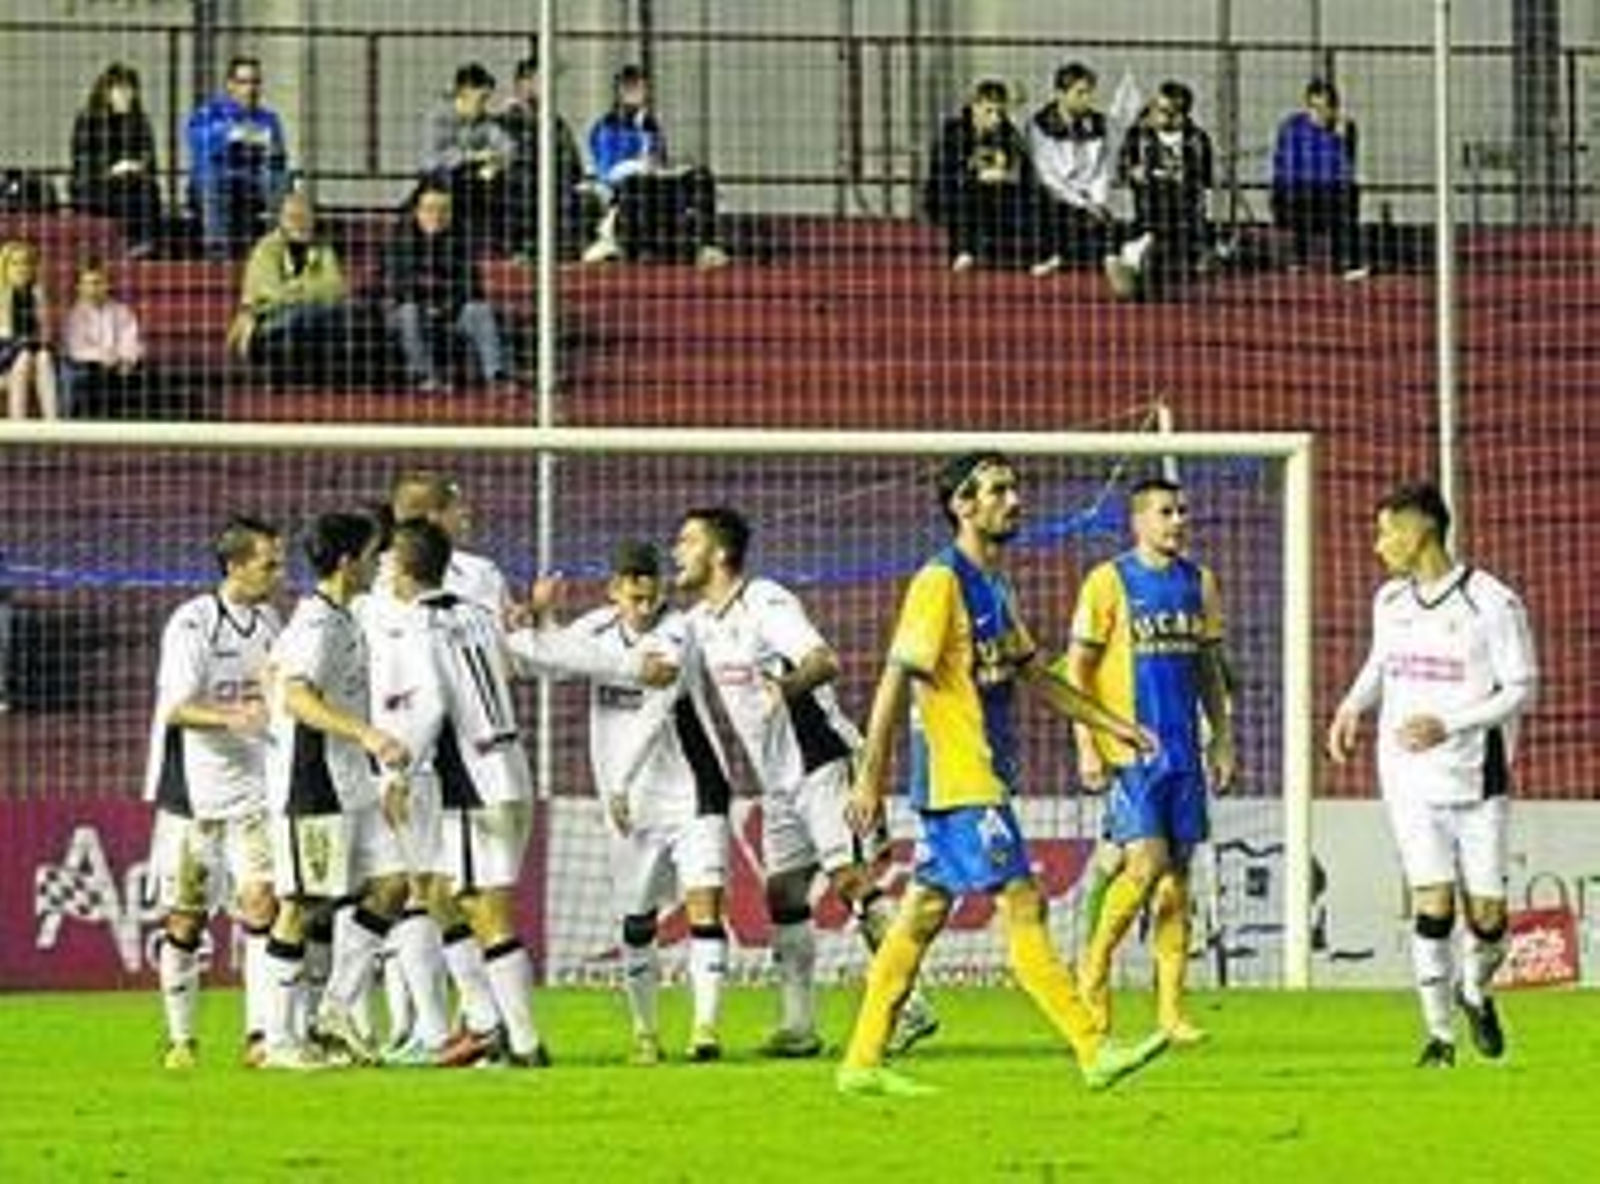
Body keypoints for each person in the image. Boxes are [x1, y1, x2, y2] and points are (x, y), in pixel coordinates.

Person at [837, 452, 1168, 1097]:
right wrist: (868, 776)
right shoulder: (940, 582)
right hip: (963, 780)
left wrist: (1111, 725)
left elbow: (1035, 674)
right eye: (996, 490)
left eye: (1014, 488)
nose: (1013, 500)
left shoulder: (995, 586)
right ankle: (1092, 1047)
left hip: (972, 778)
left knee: (921, 915)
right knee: (1023, 902)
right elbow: (896, 675)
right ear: (962, 505)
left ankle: (862, 1060)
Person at [673, 506, 938, 1060]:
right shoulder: (699, 623)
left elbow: (824, 661)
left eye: (688, 541)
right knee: (784, 893)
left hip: (820, 760)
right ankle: (798, 1026)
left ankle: (911, 1002)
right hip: (776, 782)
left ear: (719, 553)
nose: (677, 551)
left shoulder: (765, 601)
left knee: (849, 879)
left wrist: (784, 688)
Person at [1326, 481, 1536, 1067]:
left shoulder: (1492, 602)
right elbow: (1380, 662)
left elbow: (1521, 687)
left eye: (1386, 530)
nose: (1378, 544)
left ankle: (1476, 990)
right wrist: (1349, 706)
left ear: (1420, 530)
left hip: (1475, 776)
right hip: (1407, 775)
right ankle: (1440, 1037)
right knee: (1433, 905)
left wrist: (1451, 724)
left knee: (1489, 919)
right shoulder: (1390, 601)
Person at [513, 541, 733, 1065]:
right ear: (613, 589)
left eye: (648, 582)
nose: (642, 592)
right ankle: (645, 1032)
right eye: (630, 583)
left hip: (692, 791)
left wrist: (619, 782)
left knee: (706, 904)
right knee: (637, 922)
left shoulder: (679, 630)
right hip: (630, 807)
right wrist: (539, 620)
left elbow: (658, 708)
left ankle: (705, 1029)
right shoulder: (593, 629)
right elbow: (538, 660)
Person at [370, 518, 551, 1068]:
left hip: (474, 779)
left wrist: (399, 773)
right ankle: (483, 1022)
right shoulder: (475, 613)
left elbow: (428, 706)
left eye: (385, 561)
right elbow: (527, 658)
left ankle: (521, 1044)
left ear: (402, 569)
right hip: (508, 764)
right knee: (446, 894)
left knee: (483, 908)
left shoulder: (416, 626)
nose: (380, 569)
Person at [1067, 477, 1236, 1046]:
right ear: (1137, 521)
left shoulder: (1200, 583)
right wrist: (1087, 742)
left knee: (1175, 885)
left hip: (1184, 752)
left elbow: (1210, 670)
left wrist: (1223, 737)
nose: (1178, 521)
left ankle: (1170, 1012)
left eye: (1183, 510)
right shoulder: (1108, 581)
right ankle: (1092, 973)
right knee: (1142, 866)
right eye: (1166, 512)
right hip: (1130, 753)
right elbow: (1078, 670)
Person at [258, 510, 410, 1070]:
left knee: (393, 885)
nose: (378, 564)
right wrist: (367, 734)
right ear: (348, 562)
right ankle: (277, 1042)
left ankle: (334, 1012)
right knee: (300, 907)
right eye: (373, 554)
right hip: (315, 783)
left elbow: (273, 675)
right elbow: (296, 697)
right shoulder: (318, 625)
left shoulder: (341, 617)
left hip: (353, 784)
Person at [143, 516, 286, 1069]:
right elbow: (176, 708)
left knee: (261, 904)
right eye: (267, 563)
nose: (277, 573)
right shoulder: (193, 623)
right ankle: (182, 1041)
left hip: (254, 791)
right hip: (194, 799)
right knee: (186, 917)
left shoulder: (271, 622)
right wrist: (235, 718)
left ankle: (260, 1037)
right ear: (235, 565)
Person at [585, 64, 729, 269]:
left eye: (642, 87)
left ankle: (707, 246)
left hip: (656, 182)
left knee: (700, 177)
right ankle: (640, 248)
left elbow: (660, 159)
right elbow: (608, 172)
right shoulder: (607, 126)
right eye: (632, 87)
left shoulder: (650, 125)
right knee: (638, 184)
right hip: (627, 191)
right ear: (619, 91)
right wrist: (642, 165)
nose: (640, 93)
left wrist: (672, 168)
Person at [378, 183, 516, 393]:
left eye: (444, 209)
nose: (437, 215)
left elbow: (471, 287)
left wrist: (445, 308)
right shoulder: (398, 240)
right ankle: (425, 376)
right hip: (406, 311)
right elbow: (398, 287)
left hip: (449, 311)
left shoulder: (462, 241)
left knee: (479, 310)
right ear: (417, 212)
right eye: (430, 209)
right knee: (409, 312)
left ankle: (496, 375)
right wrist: (427, 305)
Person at [229, 192, 362, 385]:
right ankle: (279, 369)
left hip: (310, 314)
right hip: (266, 321)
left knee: (343, 312)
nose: (300, 223)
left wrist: (298, 290)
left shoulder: (324, 248)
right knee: (300, 315)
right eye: (293, 217)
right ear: (281, 221)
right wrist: (314, 290)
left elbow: (337, 287)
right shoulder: (265, 249)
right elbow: (275, 294)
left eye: (306, 217)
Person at [1104, 81, 1215, 301]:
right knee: (1118, 269)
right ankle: (1137, 265)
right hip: (1145, 218)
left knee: (1163, 273)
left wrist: (1177, 178)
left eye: (1163, 111)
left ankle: (1165, 268)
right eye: (1155, 106)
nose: (1154, 113)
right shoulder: (1138, 136)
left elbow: (1203, 182)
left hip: (1183, 222)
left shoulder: (1197, 141)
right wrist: (1132, 172)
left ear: (1179, 116)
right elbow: (1122, 168)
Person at [923, 79, 1048, 273]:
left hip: (995, 193)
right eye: (989, 111)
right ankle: (964, 250)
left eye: (1000, 112)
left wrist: (1008, 174)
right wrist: (975, 175)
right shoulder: (953, 132)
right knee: (967, 195)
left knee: (1031, 199)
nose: (996, 118)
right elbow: (943, 174)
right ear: (975, 106)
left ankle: (1032, 254)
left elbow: (1023, 170)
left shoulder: (1007, 132)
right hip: (952, 193)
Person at [186, 55, 290, 258]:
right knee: (212, 176)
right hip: (216, 181)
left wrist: (268, 149)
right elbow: (199, 147)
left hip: (252, 181)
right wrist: (230, 134)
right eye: (243, 82)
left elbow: (279, 157)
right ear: (230, 85)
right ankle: (217, 251)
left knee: (281, 177)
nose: (250, 89)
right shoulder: (209, 113)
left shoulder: (269, 119)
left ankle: (278, 246)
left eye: (255, 82)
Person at [1271, 78, 1368, 281]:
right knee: (1299, 197)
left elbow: (1343, 170)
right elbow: (1285, 167)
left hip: (1329, 189)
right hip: (1298, 188)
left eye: (1326, 108)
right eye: (1316, 108)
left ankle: (1345, 261)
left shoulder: (1342, 130)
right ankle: (1298, 257)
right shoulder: (1292, 127)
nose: (1321, 114)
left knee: (1344, 198)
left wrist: (1337, 139)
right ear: (1308, 107)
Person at [418, 62, 517, 256]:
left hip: (472, 179)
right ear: (464, 92)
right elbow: (433, 158)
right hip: (440, 180)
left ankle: (496, 245)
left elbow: (507, 145)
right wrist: (474, 156)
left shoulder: (483, 121)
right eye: (480, 99)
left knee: (502, 184)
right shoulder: (439, 117)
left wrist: (496, 163)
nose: (483, 105)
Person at [1027, 62, 1116, 274]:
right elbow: (1047, 175)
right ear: (1060, 93)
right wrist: (1083, 204)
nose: (1088, 99)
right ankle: (1061, 255)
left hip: (1089, 196)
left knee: (1104, 224)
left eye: (1090, 93)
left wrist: (1098, 201)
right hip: (1057, 197)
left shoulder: (1099, 123)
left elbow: (1102, 168)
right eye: (1080, 93)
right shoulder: (1039, 124)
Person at [497, 54, 587, 262]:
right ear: (522, 84)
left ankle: (564, 251)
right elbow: (506, 157)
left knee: (578, 196)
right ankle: (525, 247)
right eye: (540, 80)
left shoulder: (556, 122)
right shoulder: (505, 121)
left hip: (555, 184)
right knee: (528, 185)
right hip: (519, 184)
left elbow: (573, 162)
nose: (546, 87)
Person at [69, 62, 163, 256]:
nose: (127, 95)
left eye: (131, 89)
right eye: (121, 90)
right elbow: (82, 162)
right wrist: (112, 169)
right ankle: (129, 243)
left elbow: (150, 158)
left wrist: (138, 165)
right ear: (106, 92)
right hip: (93, 186)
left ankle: (145, 244)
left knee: (149, 188)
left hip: (132, 183)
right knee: (126, 187)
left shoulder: (140, 121)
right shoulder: (88, 120)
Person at [59, 257, 147, 418]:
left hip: (118, 366)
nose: (94, 288)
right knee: (88, 375)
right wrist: (103, 356)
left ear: (107, 285)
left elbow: (131, 339)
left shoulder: (121, 311)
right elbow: (76, 349)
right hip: (89, 367)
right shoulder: (74, 314)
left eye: (99, 282)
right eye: (89, 283)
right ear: (79, 287)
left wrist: (126, 359)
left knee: (143, 374)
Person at [0, 240, 60, 420]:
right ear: (5, 267)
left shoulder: (37, 294)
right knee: (25, 356)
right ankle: (18, 428)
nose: (22, 268)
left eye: (26, 262)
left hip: (30, 354)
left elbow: (46, 336)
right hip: (5, 355)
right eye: (15, 263)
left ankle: (54, 426)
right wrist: (7, 300)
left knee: (44, 357)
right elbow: (5, 334)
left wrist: (41, 306)